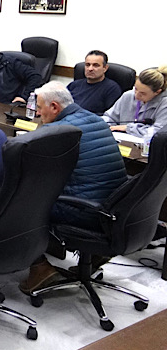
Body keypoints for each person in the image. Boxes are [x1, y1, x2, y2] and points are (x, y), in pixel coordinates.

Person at [19, 81, 128, 293]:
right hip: (114, 208)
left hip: (85, 211)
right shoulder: (95, 119)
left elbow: (31, 171)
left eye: (39, 108)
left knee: (18, 207)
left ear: (54, 107)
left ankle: (40, 268)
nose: (38, 113)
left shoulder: (57, 131)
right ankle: (95, 254)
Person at [102, 65, 167, 138]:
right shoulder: (128, 95)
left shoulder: (164, 104)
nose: (136, 95)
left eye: (143, 93)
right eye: (136, 89)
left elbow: (158, 133)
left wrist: (129, 128)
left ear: (157, 92)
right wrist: (102, 124)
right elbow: (110, 117)